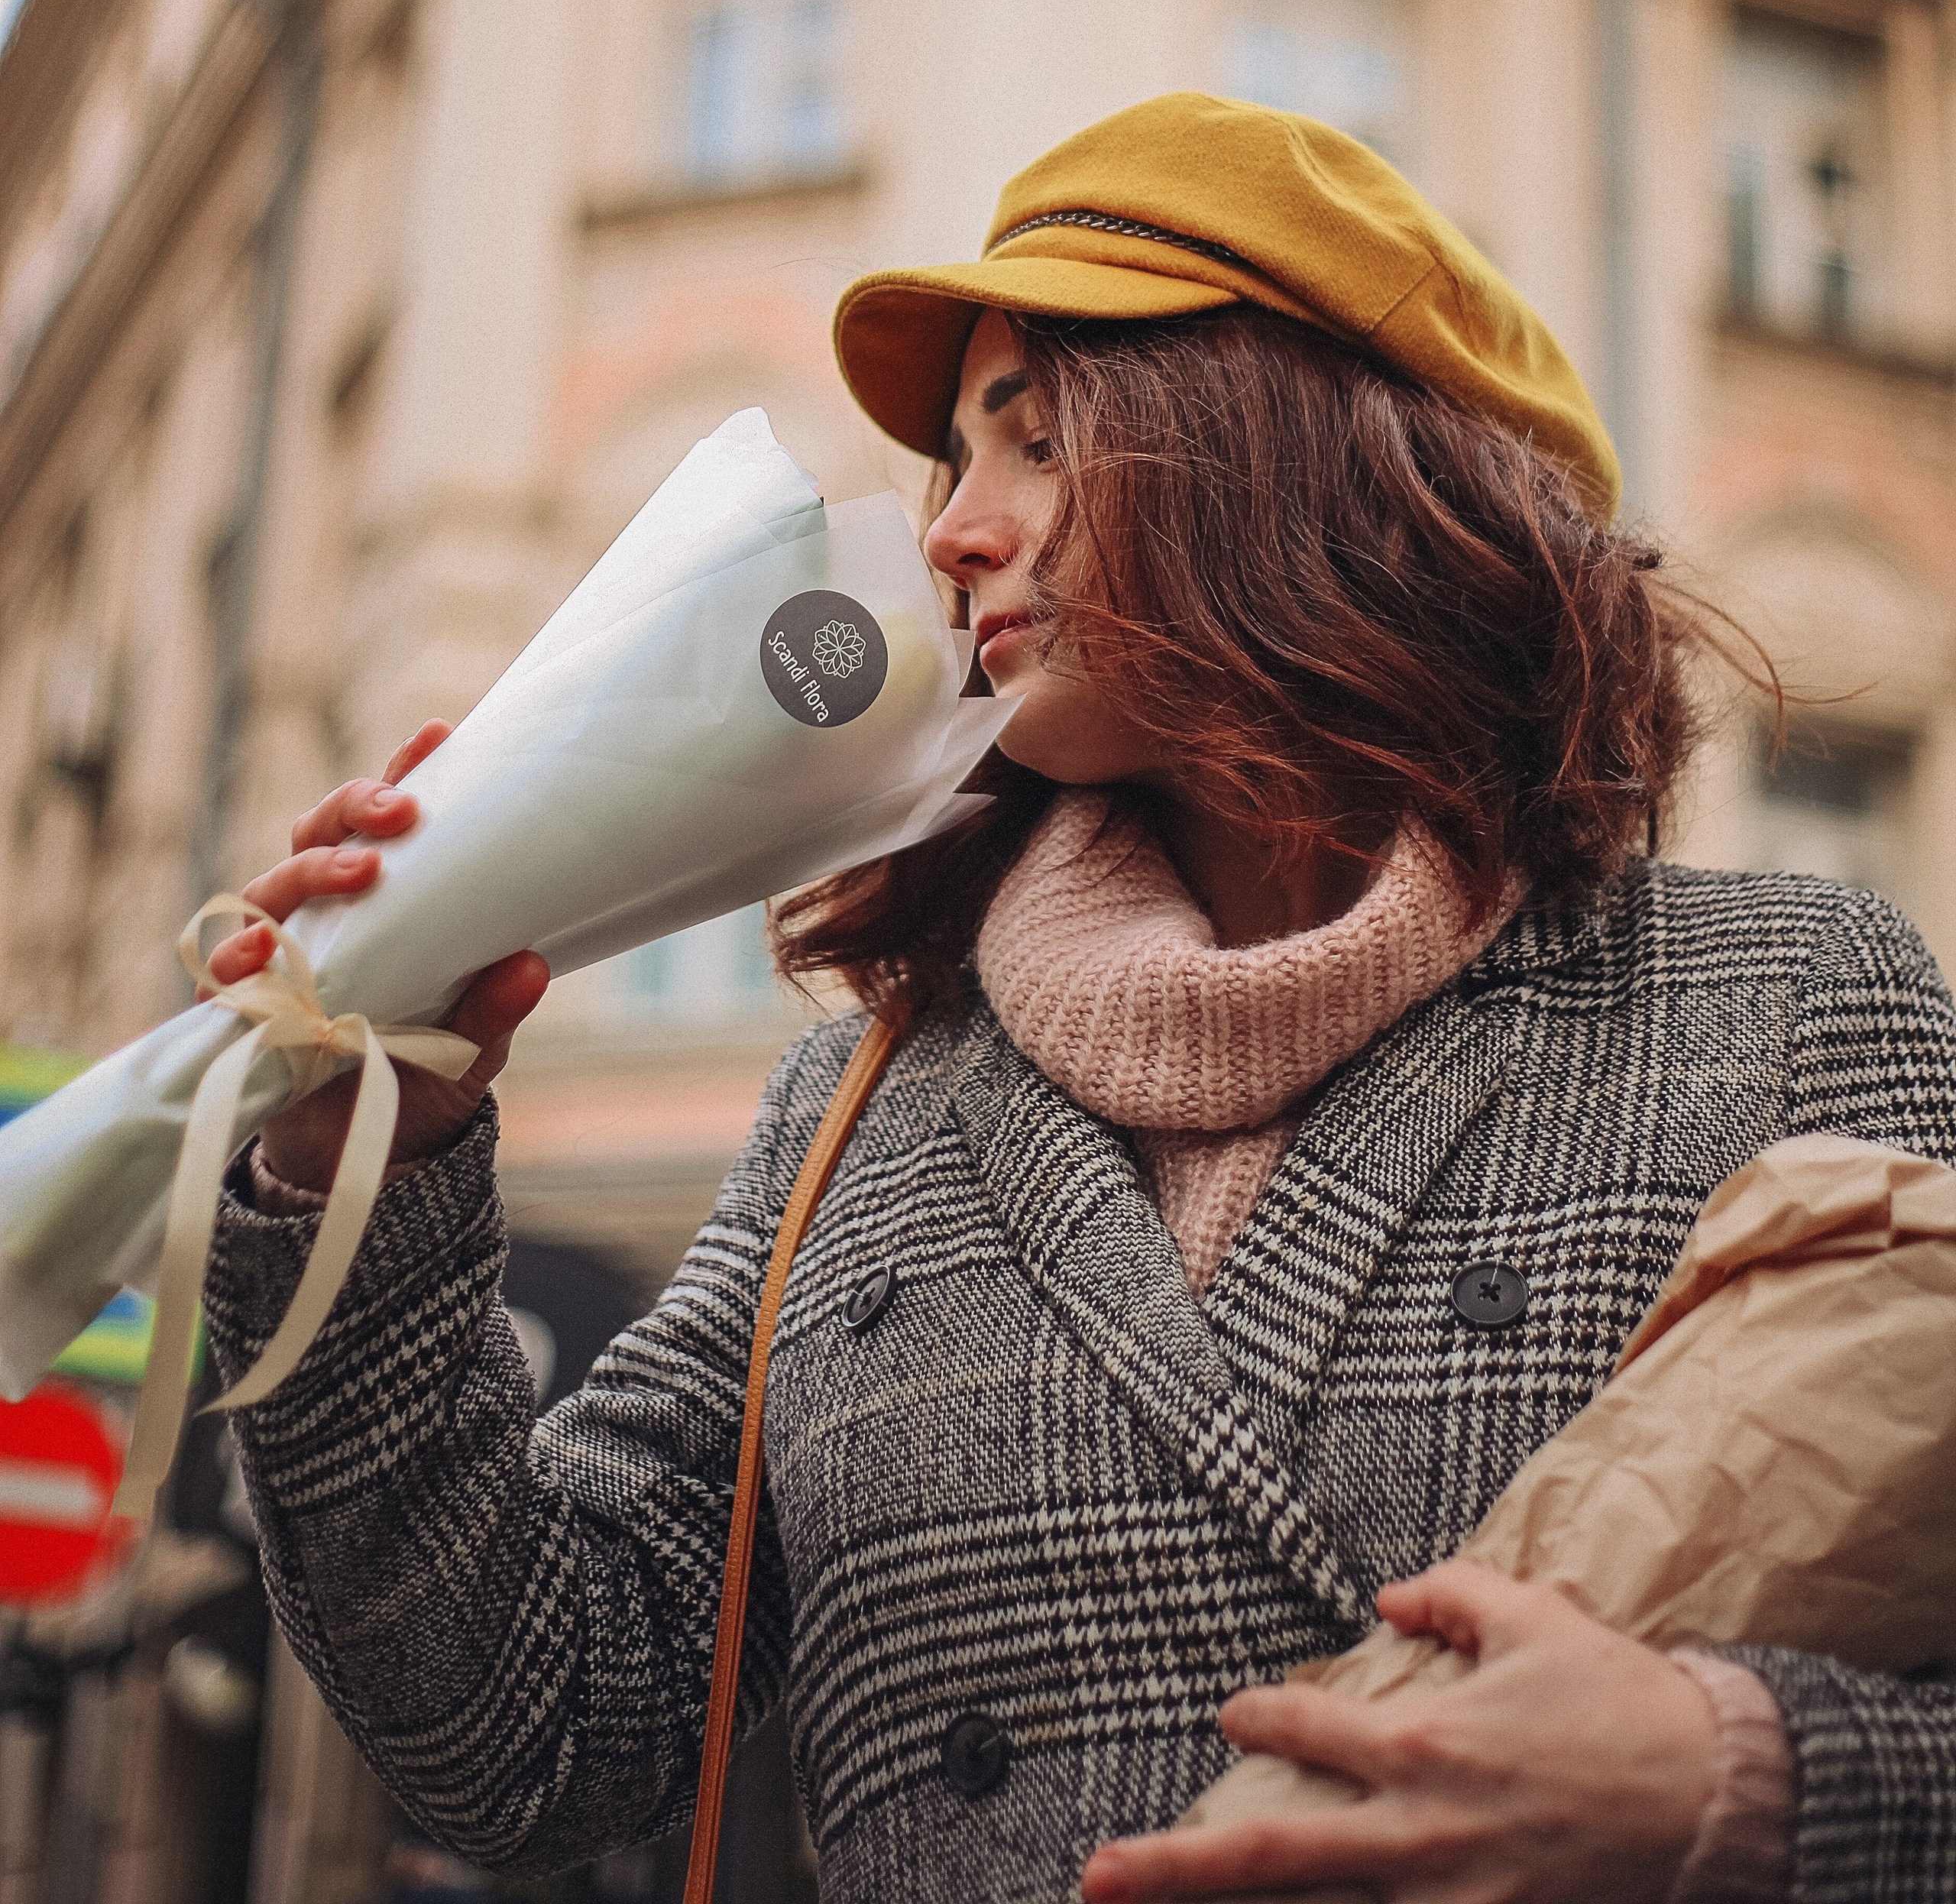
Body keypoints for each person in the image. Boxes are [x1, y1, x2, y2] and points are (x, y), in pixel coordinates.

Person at [200, 95, 1956, 1904]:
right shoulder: (858, 1110)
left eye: (1031, 441)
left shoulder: (1786, 1004)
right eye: (953, 465)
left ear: (1298, 462)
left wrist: (1735, 1783)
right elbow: (529, 1729)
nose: (950, 536)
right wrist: (363, 1174)